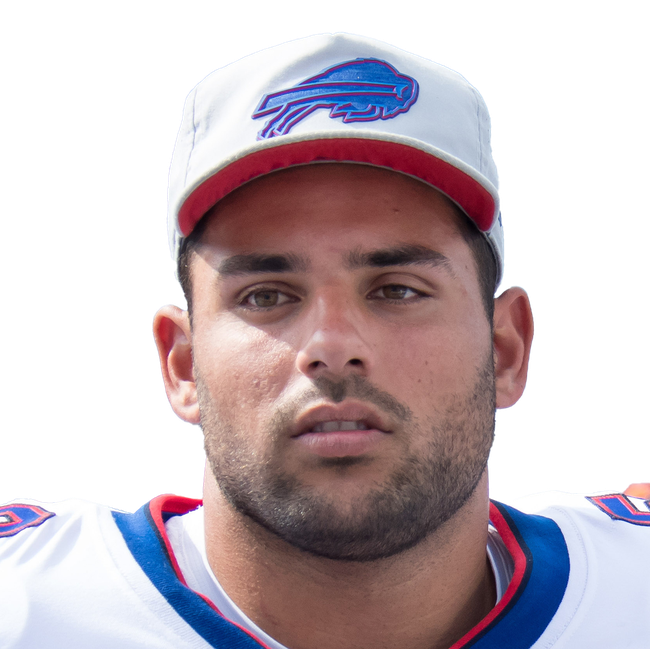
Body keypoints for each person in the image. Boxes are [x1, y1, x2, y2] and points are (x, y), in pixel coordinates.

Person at [1, 31, 648, 649]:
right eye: (266, 296)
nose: (333, 345)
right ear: (183, 364)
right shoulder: (23, 602)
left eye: (398, 289)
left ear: (507, 349)